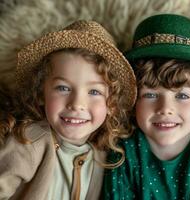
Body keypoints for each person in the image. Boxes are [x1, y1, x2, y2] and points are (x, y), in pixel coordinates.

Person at [0, 20, 137, 200]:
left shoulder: (104, 157)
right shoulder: (28, 142)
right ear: (42, 93)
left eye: (94, 91)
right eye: (63, 88)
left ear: (111, 104)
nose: (76, 104)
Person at [102, 14, 190, 199]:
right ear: (132, 103)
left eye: (181, 95)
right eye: (150, 94)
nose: (165, 108)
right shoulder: (122, 154)